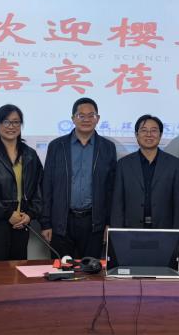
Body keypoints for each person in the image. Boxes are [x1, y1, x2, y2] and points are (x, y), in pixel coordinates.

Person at [40, 97, 117, 259]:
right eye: (81, 115)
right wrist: (46, 223)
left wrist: (109, 223)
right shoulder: (57, 146)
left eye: (91, 115)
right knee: (62, 270)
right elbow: (47, 186)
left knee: (91, 270)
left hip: (94, 222)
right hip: (62, 221)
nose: (86, 119)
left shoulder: (107, 147)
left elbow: (111, 189)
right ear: (73, 118)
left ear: (98, 119)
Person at [0, 104, 43, 261]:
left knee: (18, 271)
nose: (11, 126)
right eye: (6, 122)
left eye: (16, 122)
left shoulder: (30, 155)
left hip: (22, 223)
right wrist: (7, 214)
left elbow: (40, 188)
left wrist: (30, 214)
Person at [111, 115, 179, 229]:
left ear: (160, 135)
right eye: (144, 130)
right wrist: (116, 232)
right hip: (131, 229)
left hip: (164, 230)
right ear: (136, 135)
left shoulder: (174, 164)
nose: (149, 134)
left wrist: (178, 234)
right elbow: (117, 203)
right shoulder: (123, 164)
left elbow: (178, 204)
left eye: (154, 130)